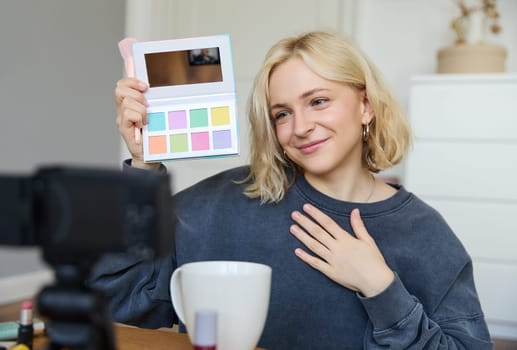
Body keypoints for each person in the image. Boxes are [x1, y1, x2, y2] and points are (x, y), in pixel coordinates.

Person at [91, 31, 492, 349]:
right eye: (282, 113)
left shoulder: (426, 235)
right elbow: (115, 297)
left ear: (366, 106)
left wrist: (381, 288)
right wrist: (143, 166)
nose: (300, 127)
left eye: (318, 101)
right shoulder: (220, 202)